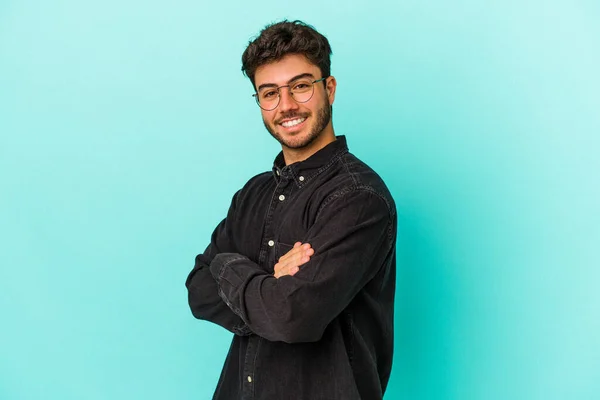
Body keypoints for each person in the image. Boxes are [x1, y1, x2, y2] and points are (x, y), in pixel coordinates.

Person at [185, 20, 397, 400]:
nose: (287, 106)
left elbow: (292, 317)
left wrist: (224, 266)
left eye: (300, 86)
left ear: (328, 89)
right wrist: (268, 279)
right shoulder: (252, 193)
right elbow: (198, 292)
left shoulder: (359, 198)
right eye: (270, 92)